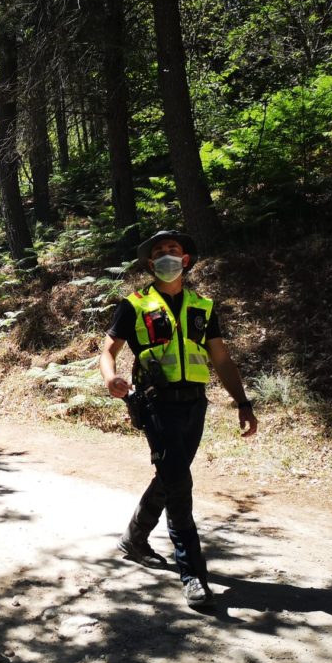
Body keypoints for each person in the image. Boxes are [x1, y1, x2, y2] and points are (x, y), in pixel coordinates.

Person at [100, 230, 258, 608]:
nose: (167, 255)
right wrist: (111, 378)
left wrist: (243, 402)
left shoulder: (203, 305)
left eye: (173, 250)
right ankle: (193, 574)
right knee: (180, 484)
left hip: (195, 404)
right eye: (159, 252)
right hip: (156, 404)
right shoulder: (134, 304)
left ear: (185, 259)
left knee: (170, 475)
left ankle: (135, 538)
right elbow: (107, 350)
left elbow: (220, 358)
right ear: (150, 263)